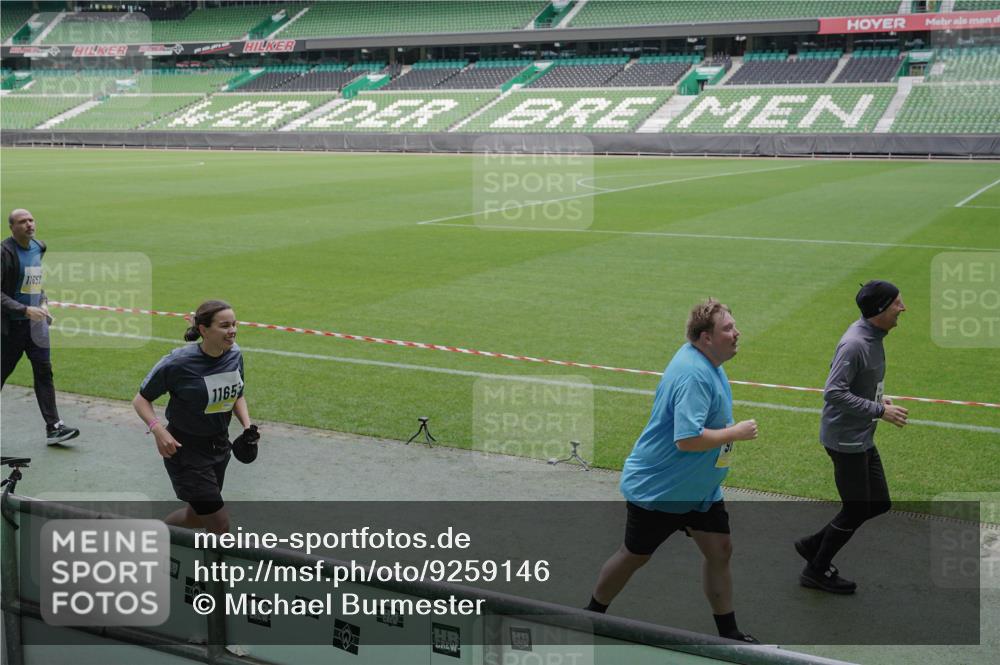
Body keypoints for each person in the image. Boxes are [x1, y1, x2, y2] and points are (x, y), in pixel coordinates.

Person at [585, 298, 761, 643]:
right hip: (661, 490)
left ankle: (729, 634)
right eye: (728, 328)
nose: (736, 333)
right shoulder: (695, 374)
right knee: (634, 556)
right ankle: (590, 615)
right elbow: (687, 439)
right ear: (705, 337)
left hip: (699, 491)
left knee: (720, 550)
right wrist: (735, 433)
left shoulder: (709, 361)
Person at [795, 280, 907, 594]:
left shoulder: (873, 335)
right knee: (857, 508)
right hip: (845, 441)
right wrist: (878, 410)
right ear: (880, 309)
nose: (903, 308)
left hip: (861, 436)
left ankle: (813, 545)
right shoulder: (855, 343)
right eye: (897, 303)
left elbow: (857, 385)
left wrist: (878, 402)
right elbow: (833, 392)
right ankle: (816, 569)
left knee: (879, 503)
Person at [132, 300, 256, 535]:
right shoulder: (178, 363)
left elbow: (238, 394)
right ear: (203, 330)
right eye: (224, 326)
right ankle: (213, 572)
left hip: (219, 446)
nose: (232, 331)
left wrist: (248, 427)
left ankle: (156, 536)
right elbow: (141, 400)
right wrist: (159, 431)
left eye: (234, 324)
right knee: (219, 524)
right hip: (185, 451)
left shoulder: (235, 355)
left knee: (196, 516)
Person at [1, 209, 80, 445]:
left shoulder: (38, 247)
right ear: (12, 228)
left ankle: (54, 427)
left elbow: (34, 283)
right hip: (10, 329)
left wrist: (43, 304)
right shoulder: (4, 253)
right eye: (22, 222)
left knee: (44, 372)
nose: (28, 224)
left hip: (36, 327)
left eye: (31, 220)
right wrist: (24, 310)